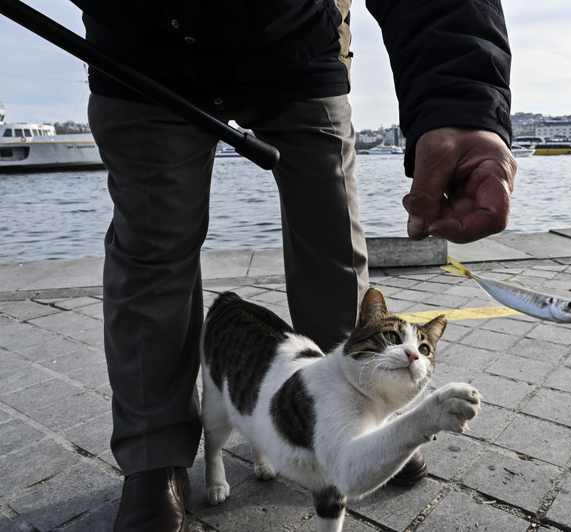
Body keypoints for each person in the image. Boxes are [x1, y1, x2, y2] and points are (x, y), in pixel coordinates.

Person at [71, 1, 515, 530]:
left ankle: (361, 417)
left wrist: (461, 106)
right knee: (151, 250)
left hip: (298, 41)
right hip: (140, 52)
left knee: (333, 243)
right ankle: (152, 455)